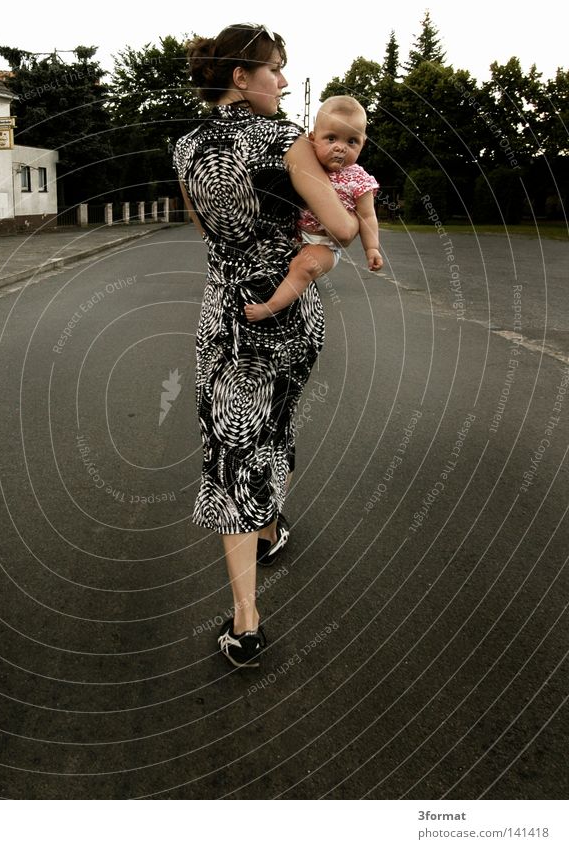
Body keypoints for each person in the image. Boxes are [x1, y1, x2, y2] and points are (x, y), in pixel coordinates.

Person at [173, 24, 357, 668]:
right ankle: (271, 526)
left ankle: (246, 620)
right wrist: (321, 240)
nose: (283, 80)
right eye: (275, 68)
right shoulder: (290, 142)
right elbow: (338, 225)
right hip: (294, 316)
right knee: (273, 430)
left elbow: (203, 228)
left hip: (229, 318)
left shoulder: (187, 146)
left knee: (232, 450)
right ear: (240, 77)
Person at [244, 95, 383, 322]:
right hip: (296, 236)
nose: (340, 148)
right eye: (331, 138)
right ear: (312, 138)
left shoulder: (360, 179)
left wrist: (372, 249)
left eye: (352, 141)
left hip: (325, 245)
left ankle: (270, 307)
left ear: (363, 143)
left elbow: (367, 215)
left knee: (303, 267)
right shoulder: (306, 164)